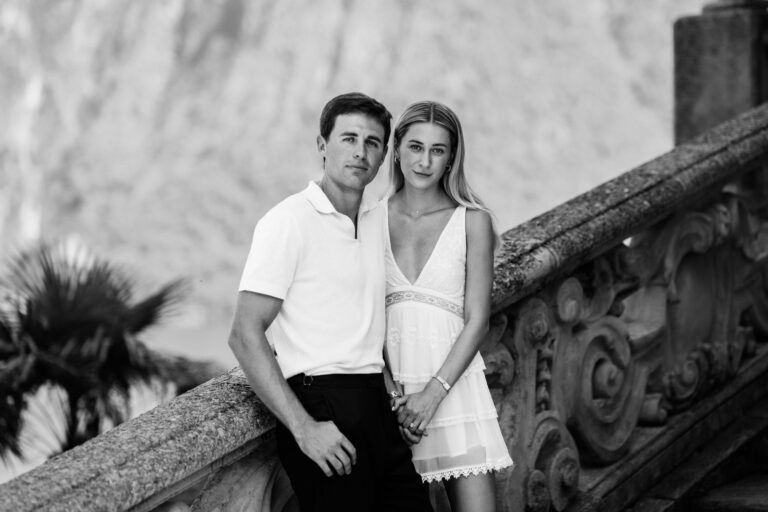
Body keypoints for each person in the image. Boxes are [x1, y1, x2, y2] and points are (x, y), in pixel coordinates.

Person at [228, 92, 433, 512]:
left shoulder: (376, 221)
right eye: (349, 138)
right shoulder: (288, 221)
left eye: (372, 143)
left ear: (383, 157)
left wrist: (391, 391)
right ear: (322, 145)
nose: (360, 152)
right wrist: (304, 428)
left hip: (376, 407)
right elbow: (244, 333)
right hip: (321, 406)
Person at [383, 101, 513, 512]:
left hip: (453, 389)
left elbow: (478, 320)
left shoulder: (472, 220)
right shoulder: (369, 220)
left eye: (437, 150)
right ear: (397, 149)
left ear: (451, 158)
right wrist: (393, 396)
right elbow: (363, 321)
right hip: (393, 400)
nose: (424, 161)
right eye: (415, 147)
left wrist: (432, 394)